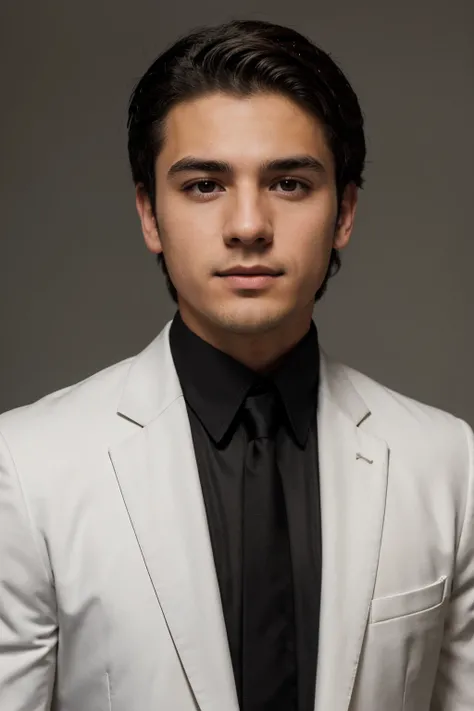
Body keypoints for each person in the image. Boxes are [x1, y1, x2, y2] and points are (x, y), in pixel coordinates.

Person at [0, 18, 472, 711]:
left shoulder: (447, 461)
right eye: (203, 185)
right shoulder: (28, 466)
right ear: (149, 215)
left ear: (344, 211)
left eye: (288, 182)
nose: (248, 225)